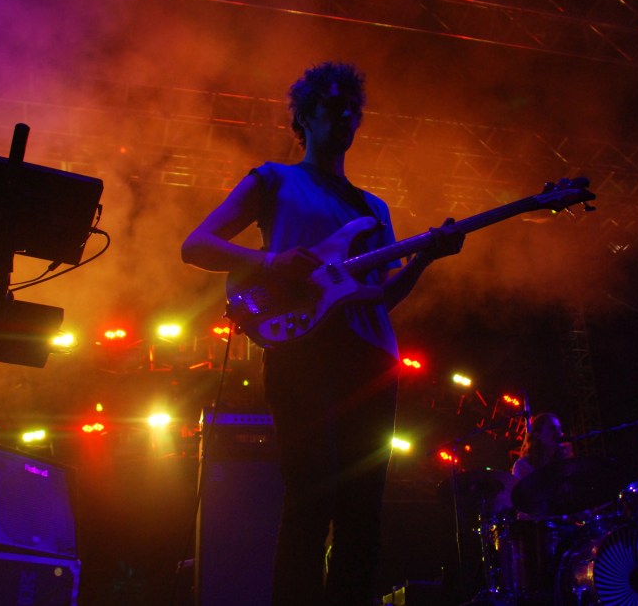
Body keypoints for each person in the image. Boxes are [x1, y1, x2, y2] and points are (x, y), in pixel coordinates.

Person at [182, 61, 464, 606]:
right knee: (308, 499)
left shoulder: (373, 209)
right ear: (304, 117)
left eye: (353, 108)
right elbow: (196, 246)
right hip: (301, 353)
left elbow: (379, 298)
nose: (346, 115)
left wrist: (425, 258)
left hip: (371, 359)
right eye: (334, 106)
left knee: (364, 512)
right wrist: (272, 261)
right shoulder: (274, 179)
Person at [511, 412, 573, 483]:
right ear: (537, 435)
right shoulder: (523, 466)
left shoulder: (563, 461)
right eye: (552, 428)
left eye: (559, 429)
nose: (559, 433)